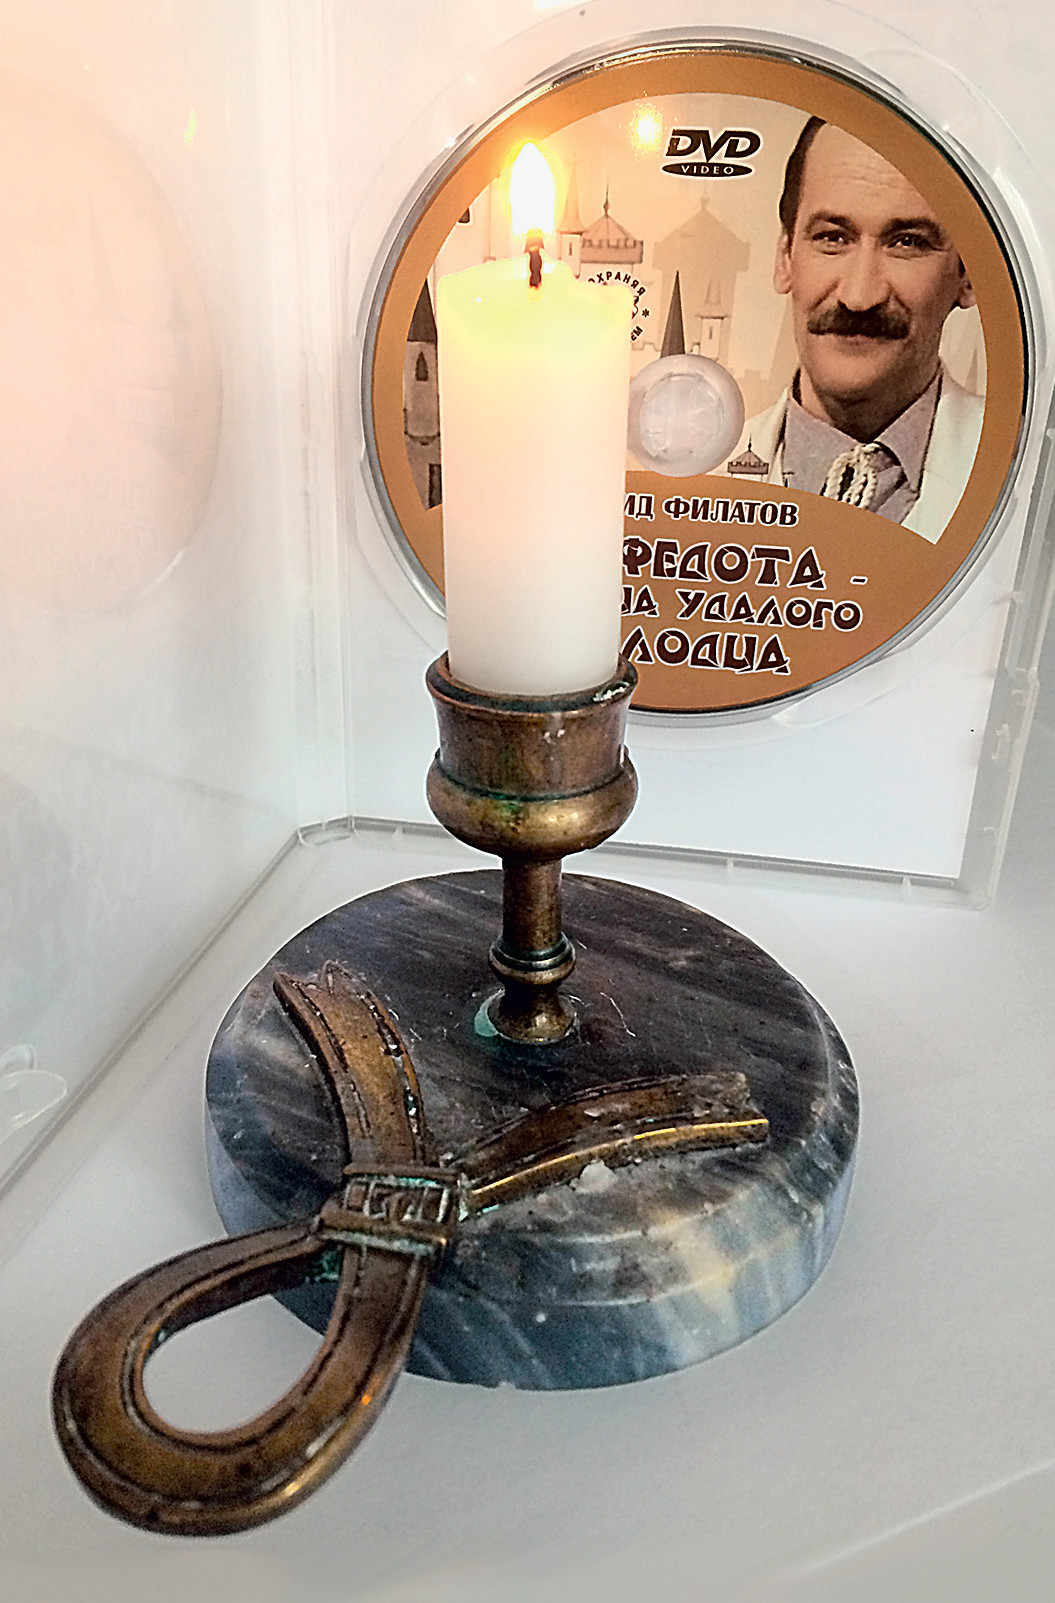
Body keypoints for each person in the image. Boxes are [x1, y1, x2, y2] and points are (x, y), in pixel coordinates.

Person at [722, 118, 983, 543]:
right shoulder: (691, 482)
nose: (860, 297)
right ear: (785, 258)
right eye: (832, 238)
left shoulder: (1032, 475)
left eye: (907, 242)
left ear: (968, 275)